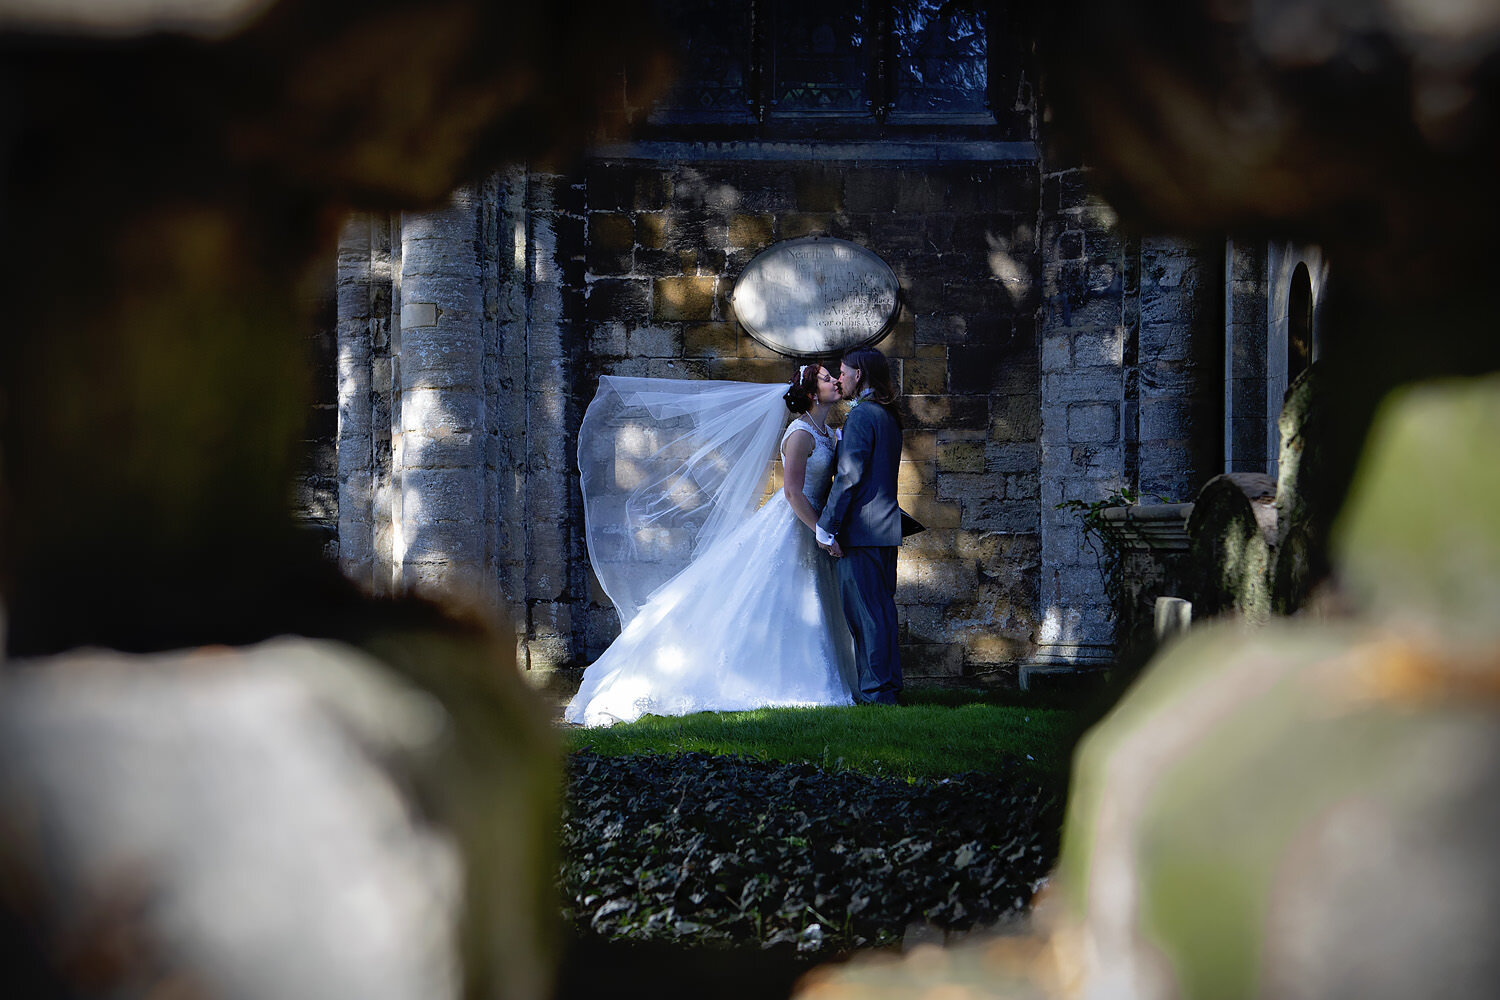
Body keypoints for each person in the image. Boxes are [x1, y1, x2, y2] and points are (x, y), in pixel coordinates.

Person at [565, 365, 856, 727]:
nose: (835, 382)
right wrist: (822, 532)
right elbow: (793, 492)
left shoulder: (826, 431)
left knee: (808, 600)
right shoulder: (799, 435)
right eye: (827, 378)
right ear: (812, 394)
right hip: (795, 523)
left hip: (811, 523)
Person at [816, 346, 907, 705]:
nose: (839, 378)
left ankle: (877, 693)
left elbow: (850, 477)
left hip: (863, 532)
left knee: (866, 615)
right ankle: (887, 687)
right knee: (881, 612)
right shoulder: (886, 415)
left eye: (843, 371)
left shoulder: (862, 417)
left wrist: (827, 526)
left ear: (860, 374)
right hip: (885, 530)